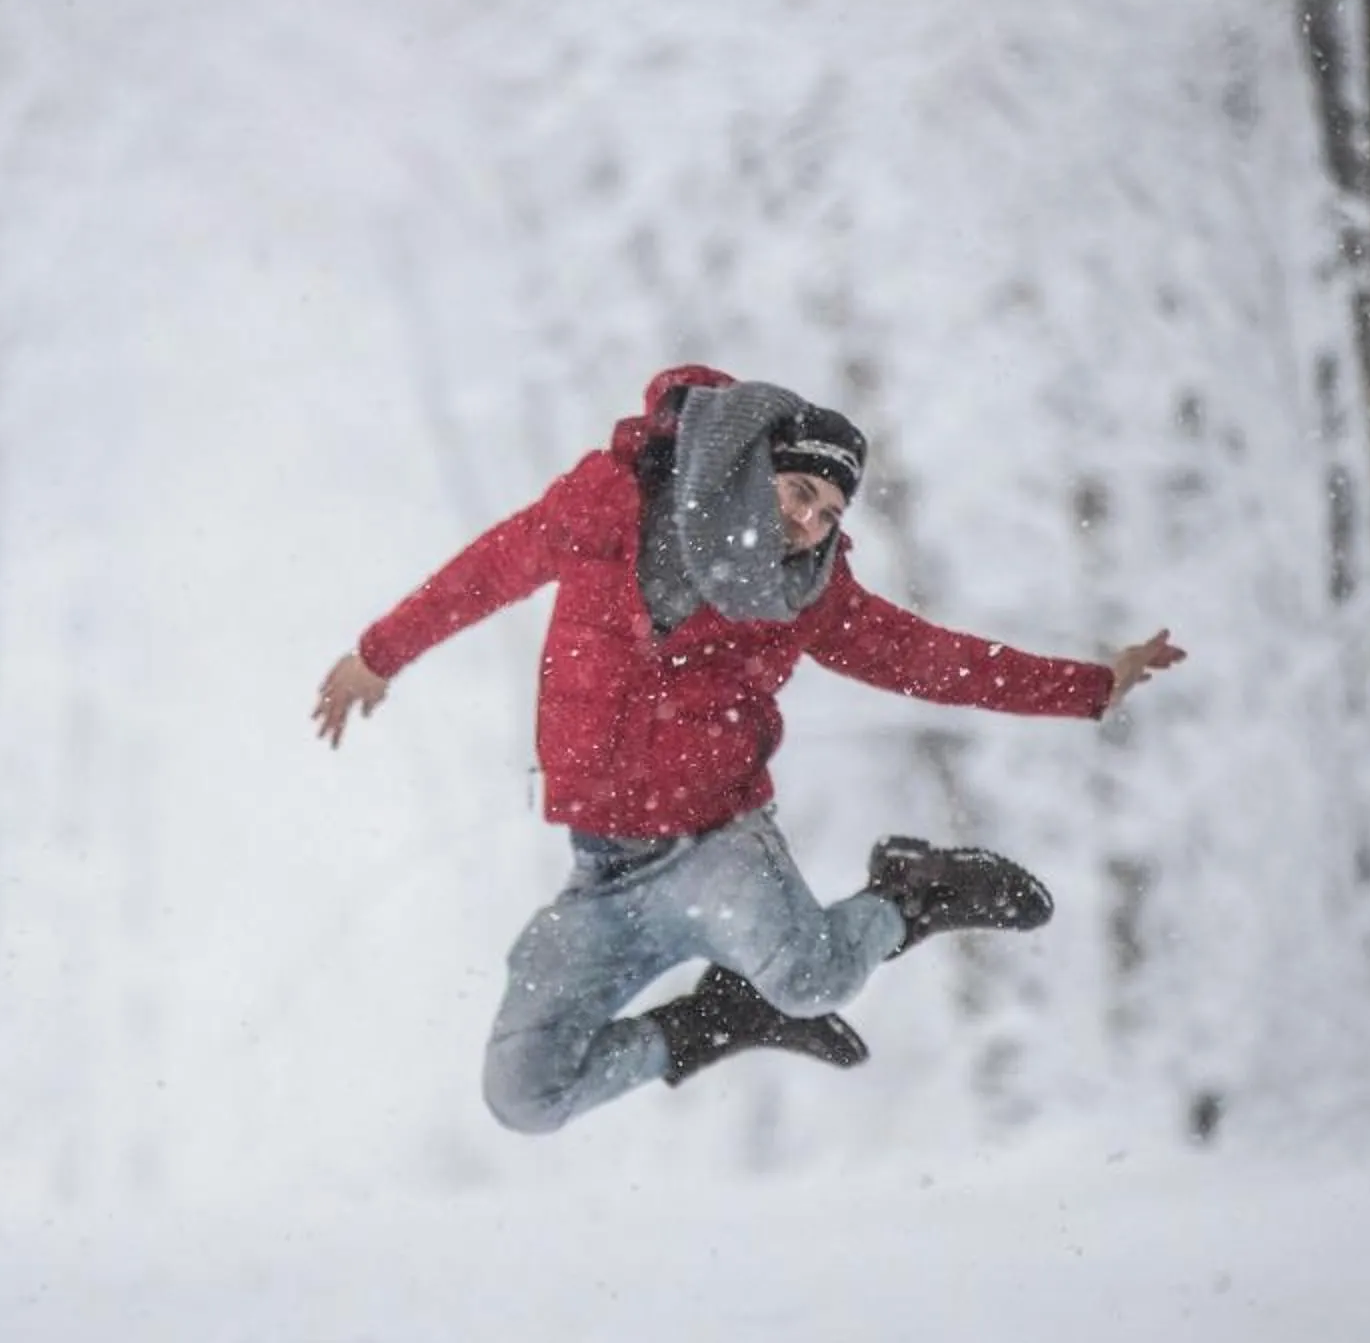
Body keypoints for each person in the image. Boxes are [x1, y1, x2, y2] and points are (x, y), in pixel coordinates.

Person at [312, 365, 1184, 1134]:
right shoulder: (608, 504)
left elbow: (927, 659)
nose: (807, 523)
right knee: (524, 1096)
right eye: (799, 491)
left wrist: (1088, 686)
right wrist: (379, 655)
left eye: (828, 514)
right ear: (750, 466)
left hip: (717, 849)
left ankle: (909, 893)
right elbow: (488, 569)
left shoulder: (805, 594)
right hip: (604, 873)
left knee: (815, 979)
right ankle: (716, 1022)